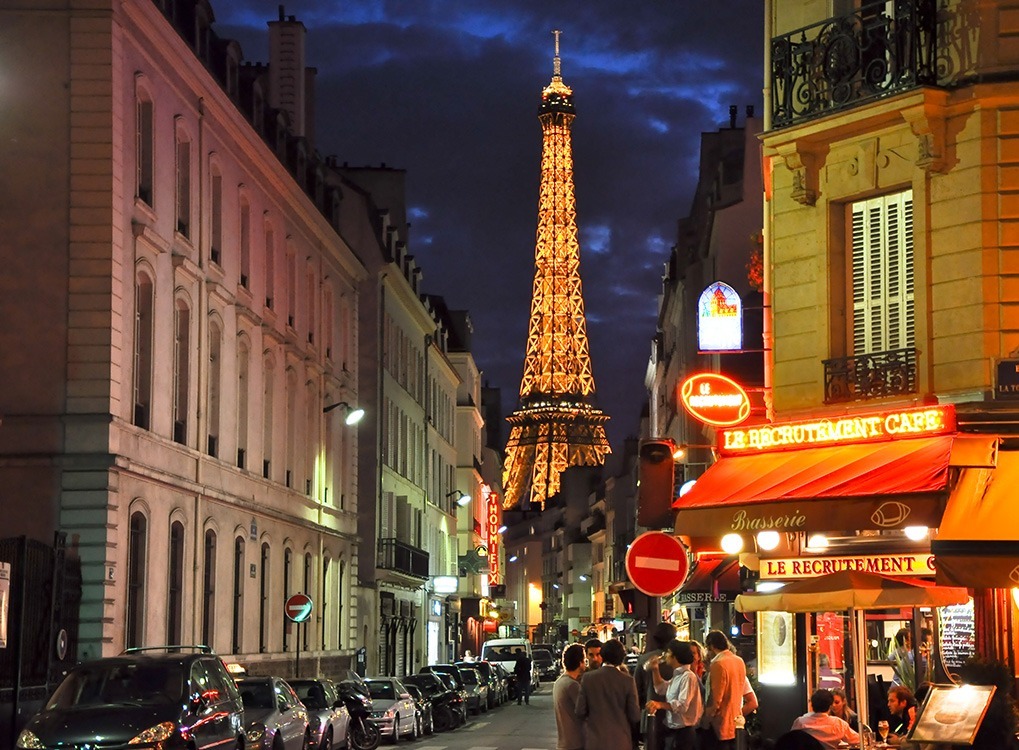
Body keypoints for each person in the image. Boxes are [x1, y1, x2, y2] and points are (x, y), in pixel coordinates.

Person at [575, 638, 642, 750]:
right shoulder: (627, 681)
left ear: (603, 655)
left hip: (595, 741)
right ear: (621, 657)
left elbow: (580, 711)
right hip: (621, 741)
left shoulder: (588, 678)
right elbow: (635, 715)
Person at [645, 639, 703, 750]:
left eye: (668, 653)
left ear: (675, 657)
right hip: (675, 731)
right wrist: (655, 670)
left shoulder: (688, 676)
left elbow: (682, 705)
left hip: (685, 733)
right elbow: (661, 689)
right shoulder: (677, 675)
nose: (665, 655)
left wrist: (660, 705)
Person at [635, 621, 679, 750]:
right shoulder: (678, 661)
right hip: (675, 717)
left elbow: (637, 690)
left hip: (650, 716)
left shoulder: (645, 660)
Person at [701, 630, 747, 750]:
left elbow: (716, 698)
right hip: (736, 719)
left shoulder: (718, 664)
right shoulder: (739, 661)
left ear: (711, 646)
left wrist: (707, 719)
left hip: (720, 722)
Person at [791, 688, 860, 749]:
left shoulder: (800, 722)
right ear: (830, 706)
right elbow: (858, 740)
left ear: (811, 704)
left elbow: (790, 741)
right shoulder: (839, 724)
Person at [553, 643, 586, 750]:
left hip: (564, 742)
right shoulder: (572, 685)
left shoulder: (559, 682)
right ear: (580, 662)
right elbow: (585, 711)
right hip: (575, 743)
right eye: (584, 660)